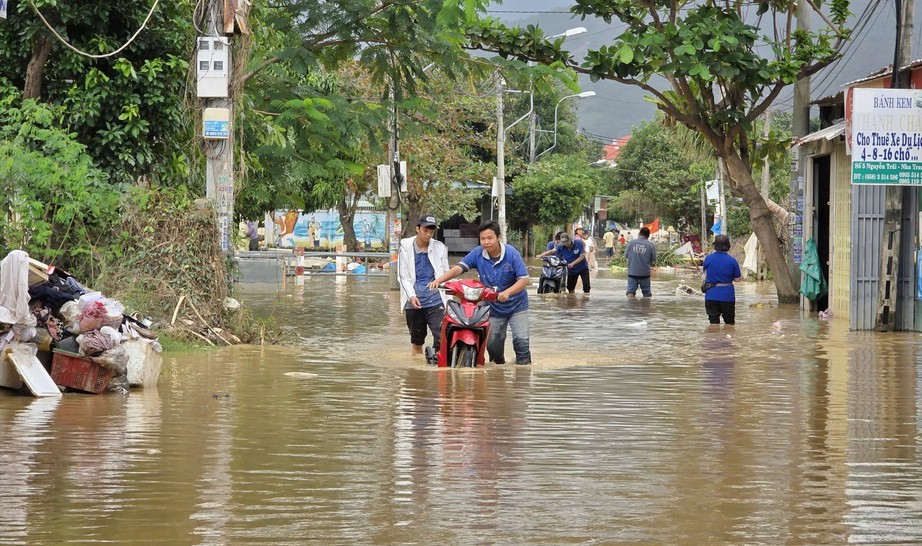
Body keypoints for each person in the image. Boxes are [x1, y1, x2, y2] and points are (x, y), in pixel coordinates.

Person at [429, 221, 531, 365]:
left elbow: (524, 280)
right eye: (483, 238)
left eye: (490, 238)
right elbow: (460, 268)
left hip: (517, 306)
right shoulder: (477, 253)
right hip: (493, 307)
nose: (486, 242)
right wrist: (439, 281)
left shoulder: (512, 254)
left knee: (521, 344)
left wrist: (507, 292)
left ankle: (523, 376)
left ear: (498, 237)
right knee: (493, 349)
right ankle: (499, 375)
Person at [398, 214, 450, 356]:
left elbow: (446, 273)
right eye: (425, 230)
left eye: (431, 231)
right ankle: (417, 373)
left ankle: (437, 366)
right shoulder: (405, 246)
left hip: (435, 299)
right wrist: (411, 296)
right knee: (417, 341)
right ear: (417, 229)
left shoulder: (440, 248)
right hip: (414, 300)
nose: (428, 234)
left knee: (442, 336)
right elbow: (403, 276)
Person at [702, 234, 742, 325]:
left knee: (713, 324)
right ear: (728, 245)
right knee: (729, 324)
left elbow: (704, 274)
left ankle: (714, 339)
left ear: (715, 245)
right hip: (727, 296)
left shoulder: (708, 259)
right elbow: (738, 279)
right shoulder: (732, 261)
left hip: (711, 295)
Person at [625, 226, 656, 298]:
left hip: (632, 273)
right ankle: (646, 308)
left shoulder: (631, 243)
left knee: (630, 292)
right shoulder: (651, 245)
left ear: (639, 234)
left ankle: (631, 307)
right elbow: (654, 259)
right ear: (648, 236)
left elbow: (626, 255)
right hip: (645, 273)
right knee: (647, 294)